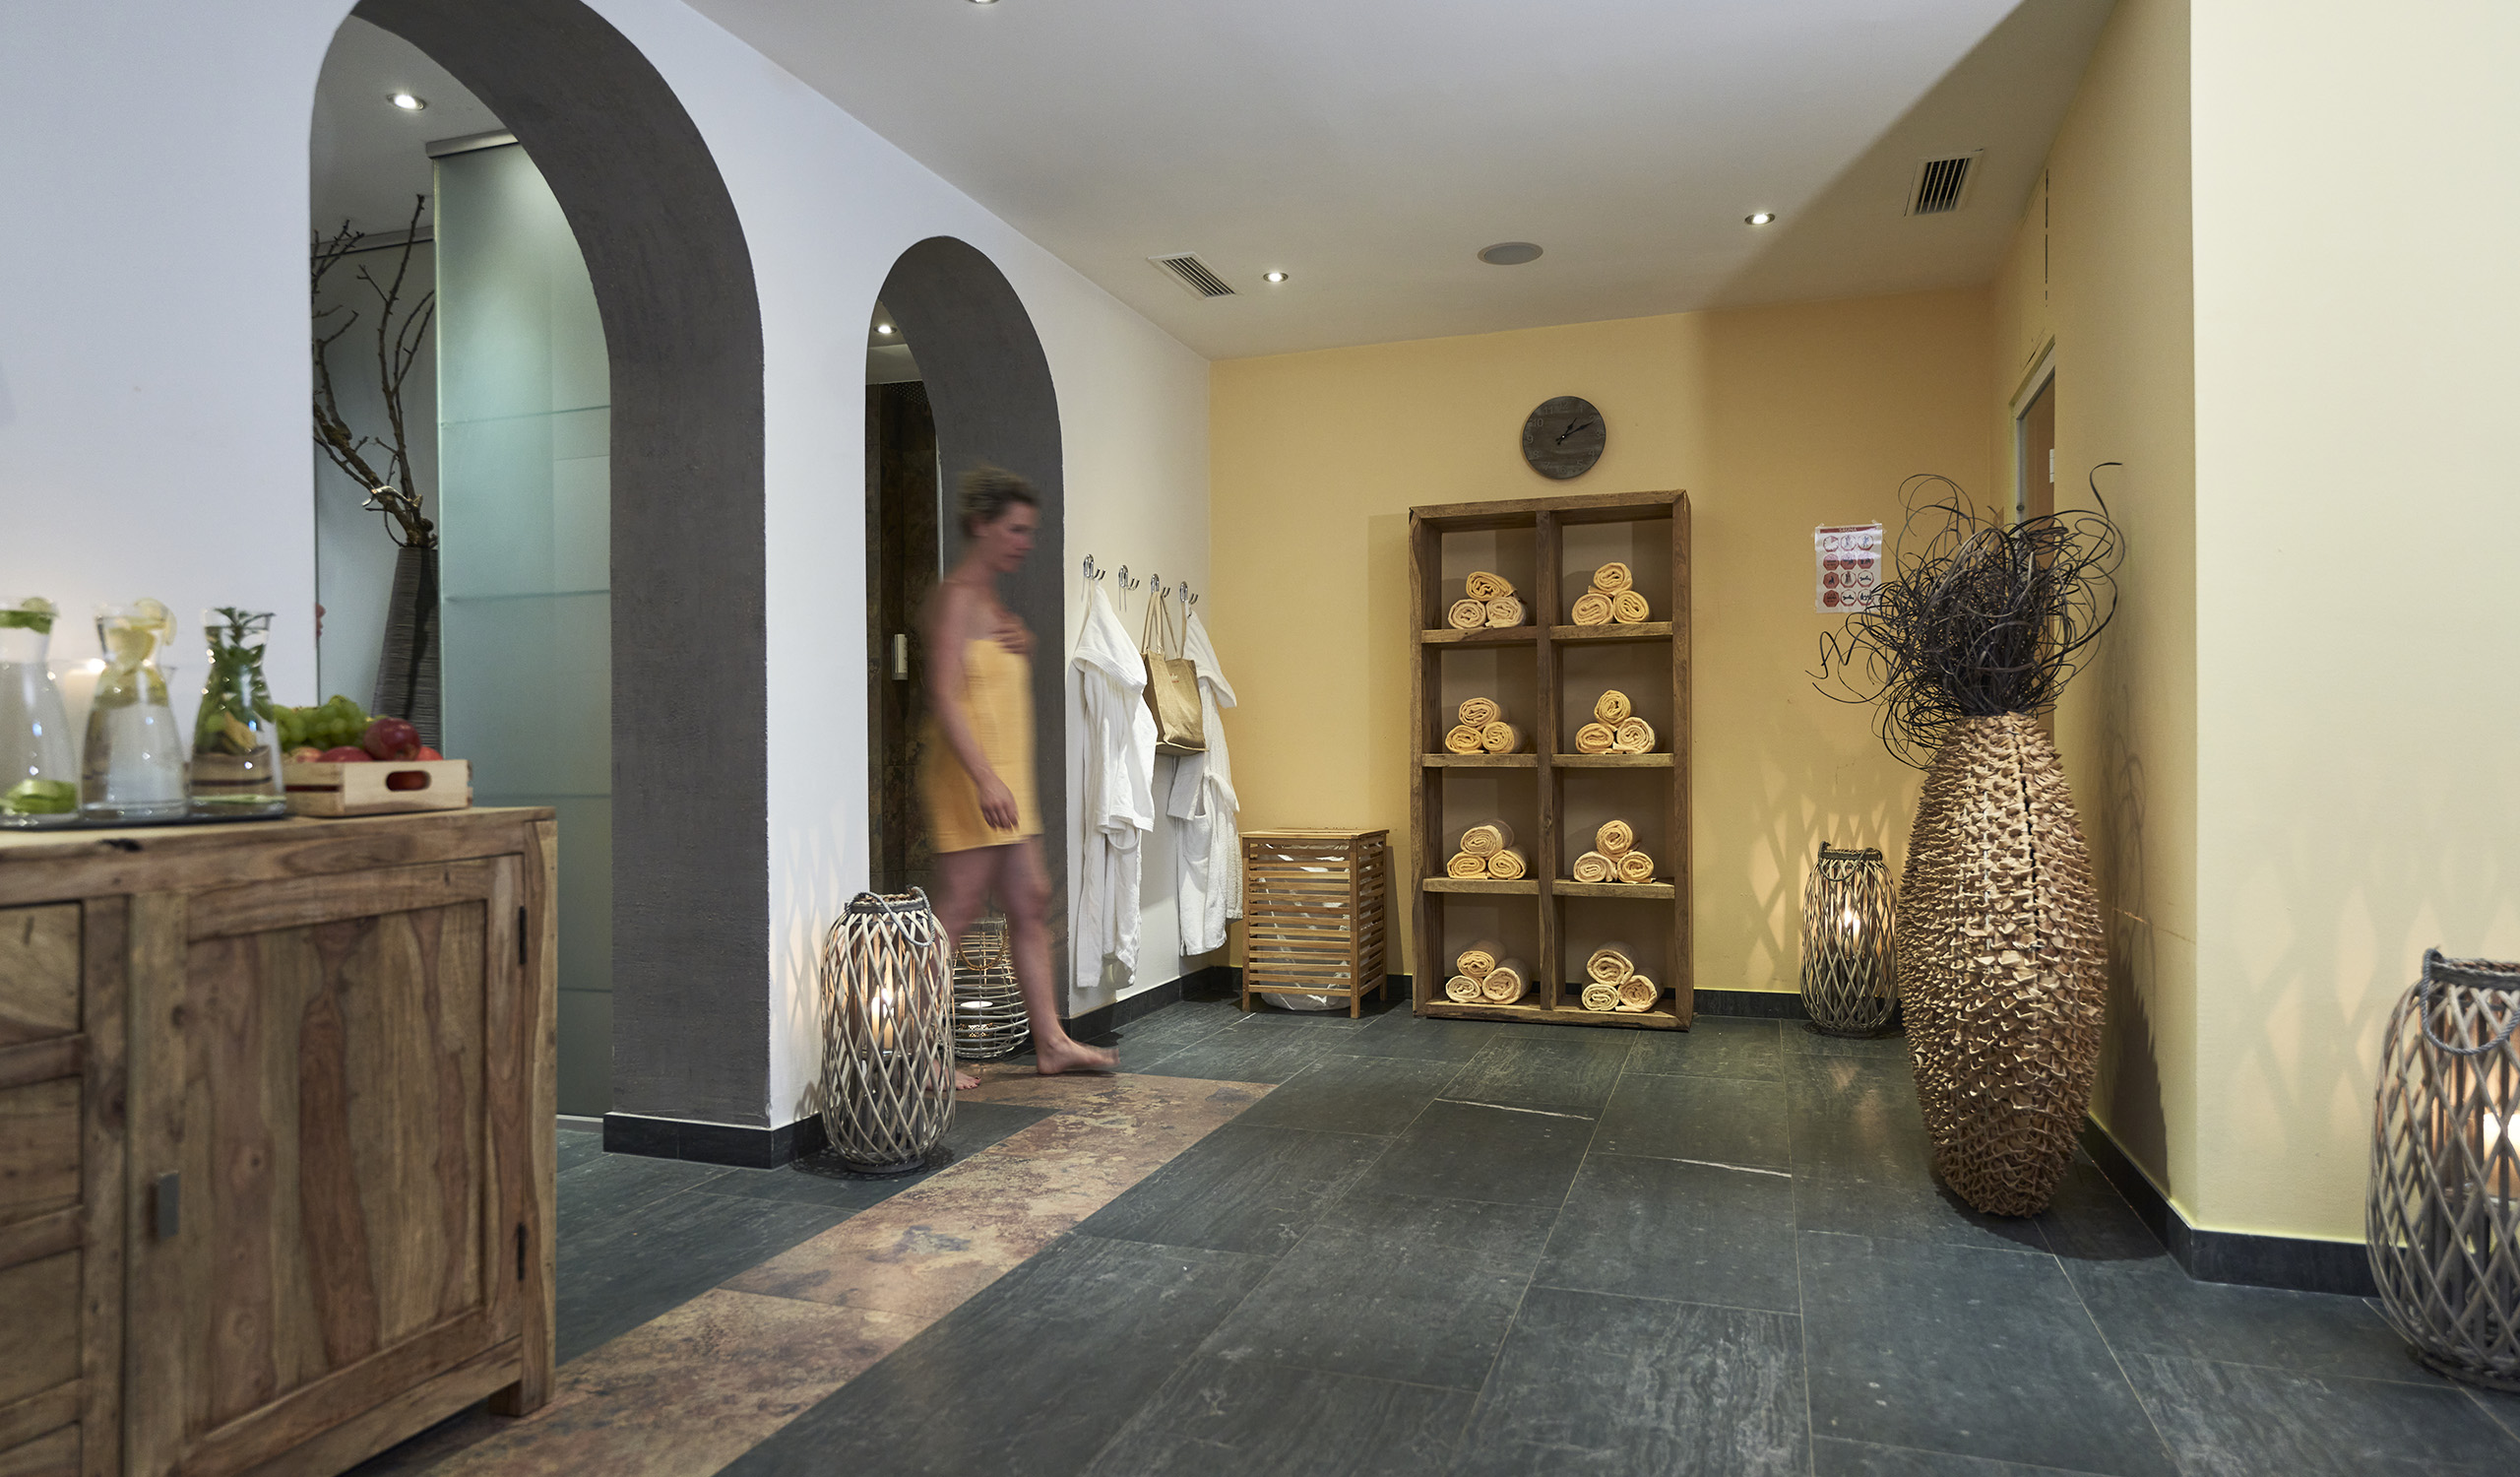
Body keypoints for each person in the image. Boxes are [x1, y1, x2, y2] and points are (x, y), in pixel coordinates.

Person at [920, 467, 1116, 1081]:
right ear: (980, 524)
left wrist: (1022, 646)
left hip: (1007, 782)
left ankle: (1051, 1043)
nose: (1025, 543)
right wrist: (984, 778)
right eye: (1014, 529)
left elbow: (987, 687)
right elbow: (945, 695)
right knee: (956, 911)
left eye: (1029, 531)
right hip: (971, 780)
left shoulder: (991, 605)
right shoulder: (956, 598)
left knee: (1030, 901)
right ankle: (919, 1057)